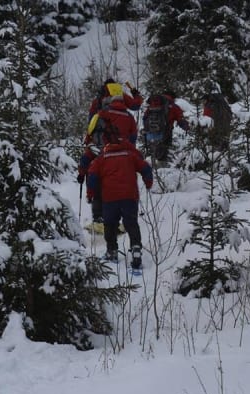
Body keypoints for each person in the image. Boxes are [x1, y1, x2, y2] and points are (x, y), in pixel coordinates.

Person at [77, 83, 139, 233]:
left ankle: (99, 219)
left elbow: (90, 129)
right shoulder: (127, 113)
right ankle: (124, 219)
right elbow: (136, 108)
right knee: (122, 183)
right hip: (122, 154)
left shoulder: (99, 109)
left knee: (98, 183)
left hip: (100, 153)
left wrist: (81, 172)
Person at [86, 139, 153, 269]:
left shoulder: (102, 158)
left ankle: (112, 251)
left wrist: (90, 194)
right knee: (131, 223)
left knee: (110, 224)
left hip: (110, 197)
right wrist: (148, 182)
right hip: (130, 196)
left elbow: (92, 176)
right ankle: (136, 248)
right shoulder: (130, 155)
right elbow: (145, 167)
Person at [142, 91, 189, 163]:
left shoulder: (153, 104)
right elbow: (180, 120)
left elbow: (145, 117)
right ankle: (162, 167)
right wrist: (186, 126)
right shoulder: (173, 106)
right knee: (163, 151)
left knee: (152, 152)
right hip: (165, 132)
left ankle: (153, 165)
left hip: (150, 134)